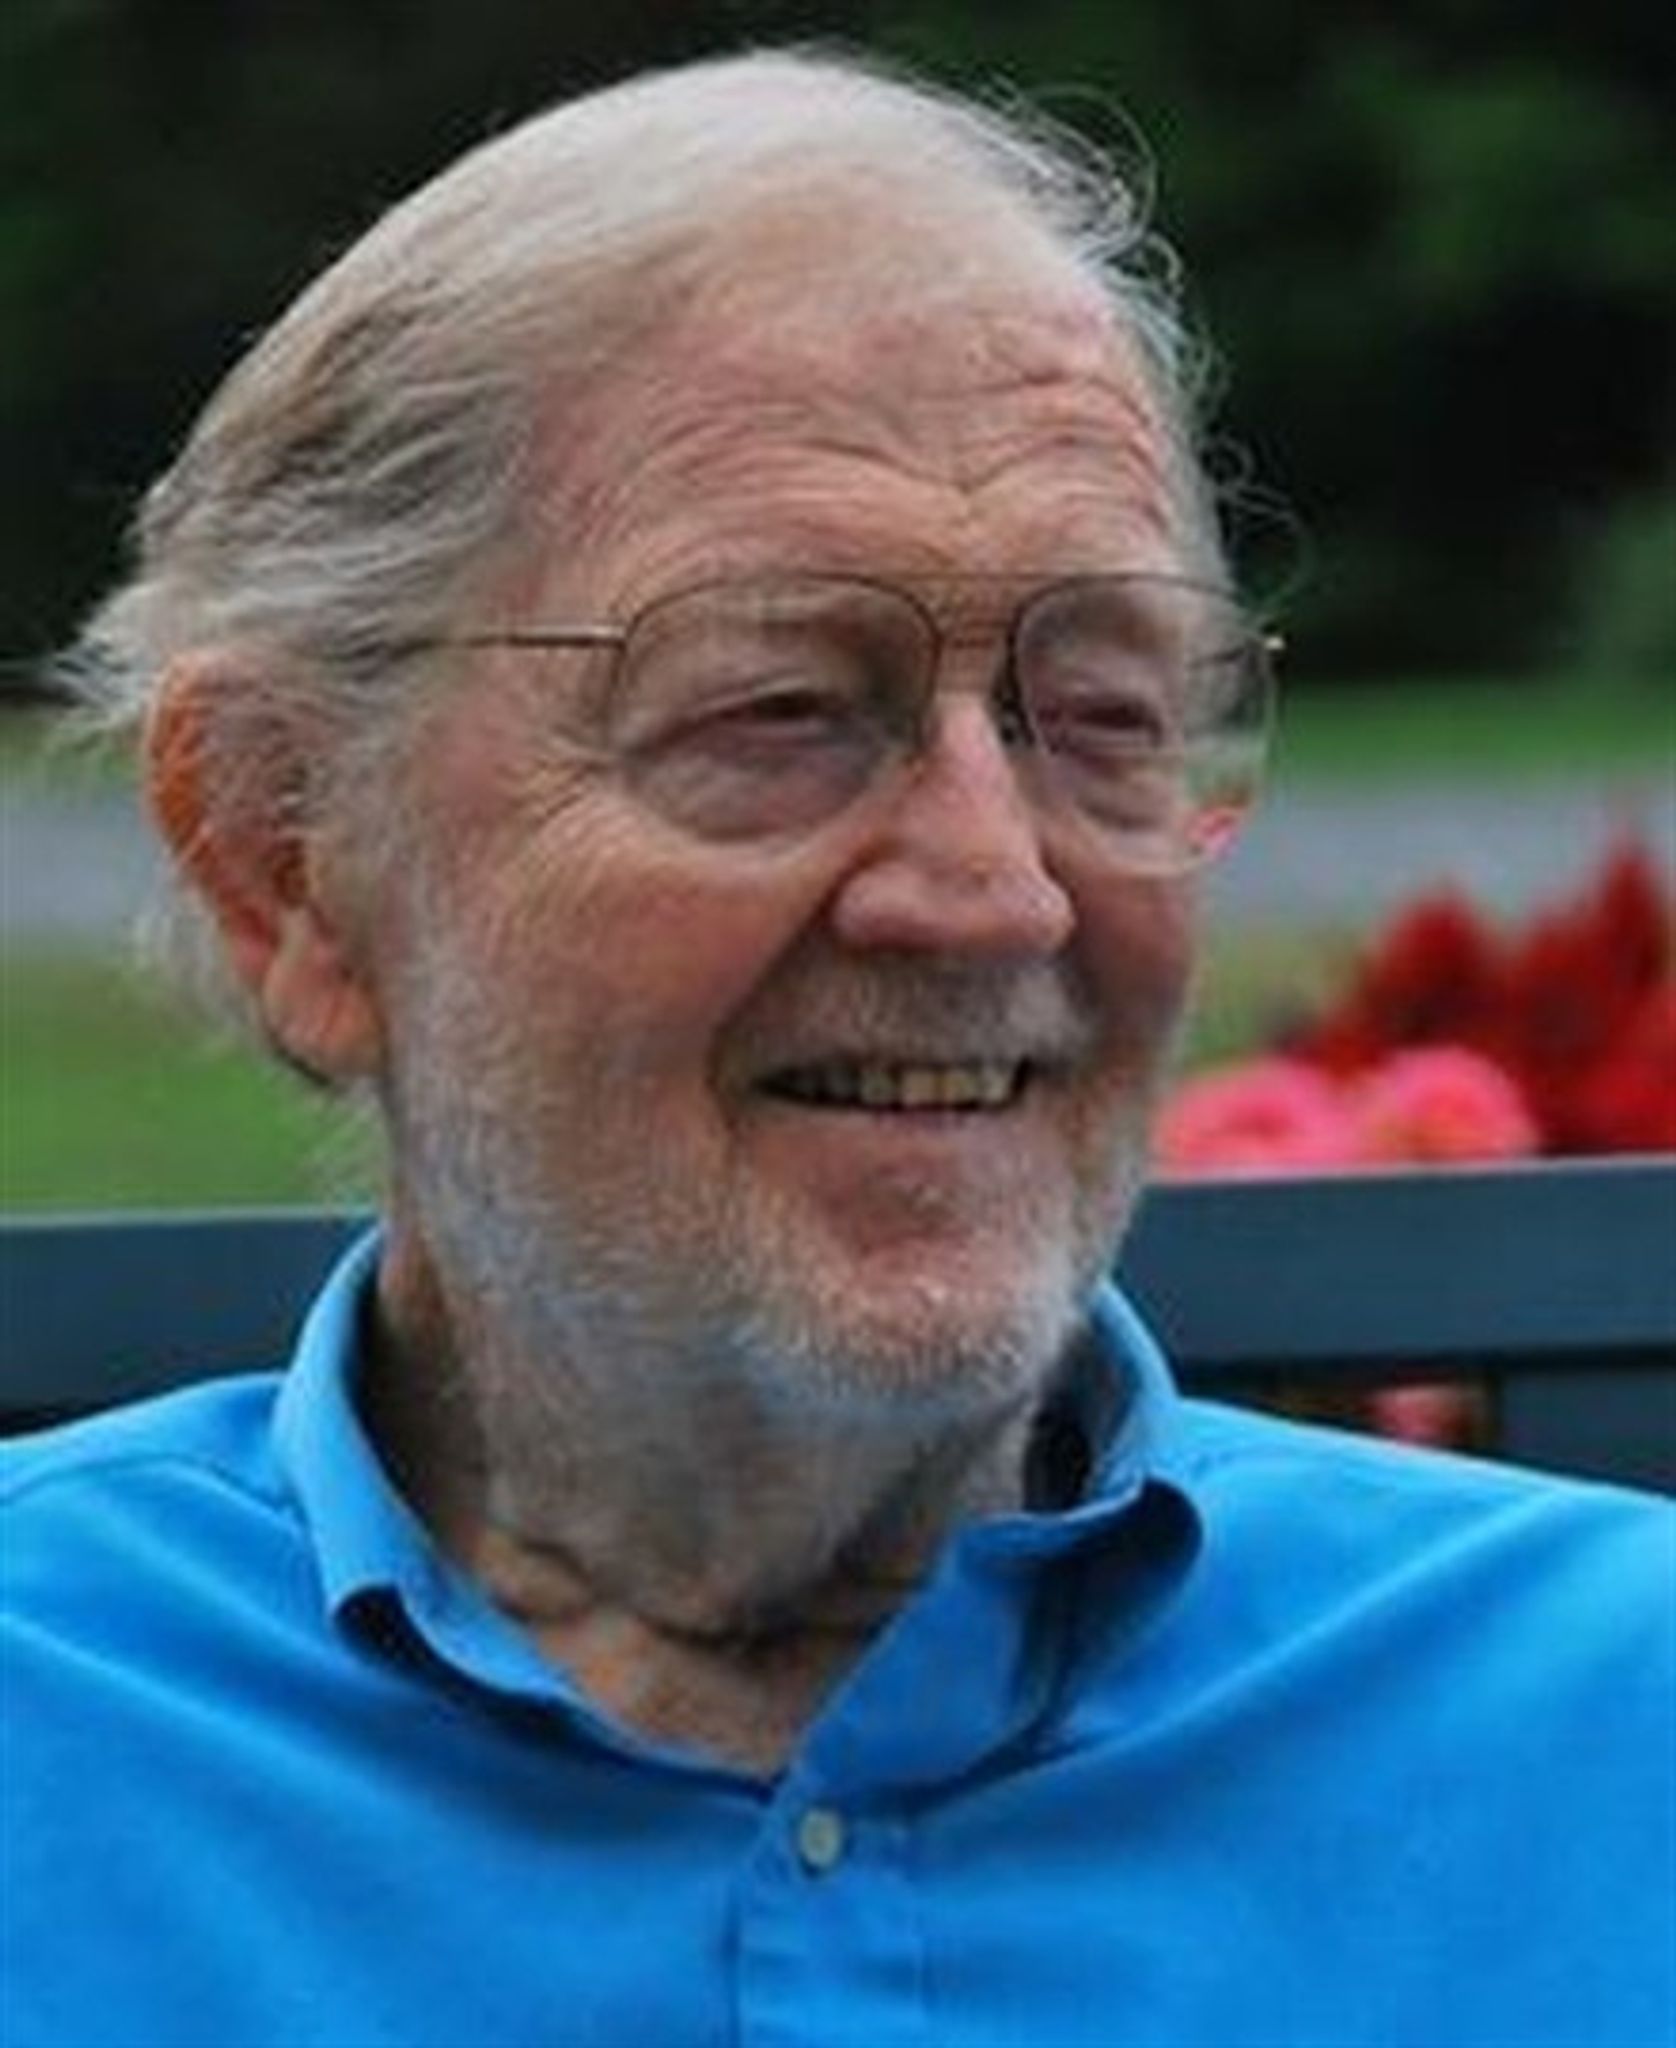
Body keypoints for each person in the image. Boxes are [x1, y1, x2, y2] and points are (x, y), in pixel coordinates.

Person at [3, 49, 1671, 2048]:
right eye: (778, 705)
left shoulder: (1611, 1717)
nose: (993, 891)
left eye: (1104, 713)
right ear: (287, 862)